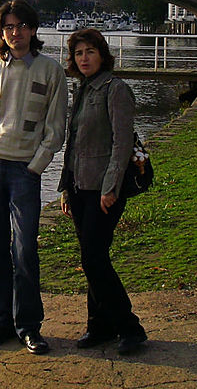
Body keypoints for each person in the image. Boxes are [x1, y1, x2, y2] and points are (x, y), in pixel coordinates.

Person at [0, 0, 68, 355]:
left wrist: (37, 164)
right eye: (8, 27)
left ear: (33, 30)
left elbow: (56, 128)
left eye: (21, 26)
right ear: (0, 32)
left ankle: (28, 325)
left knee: (24, 248)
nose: (15, 33)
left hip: (24, 170)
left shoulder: (51, 71)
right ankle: (0, 320)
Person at [58, 28, 148, 355]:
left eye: (89, 52)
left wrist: (110, 188)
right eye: (79, 53)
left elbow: (122, 144)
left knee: (93, 258)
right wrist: (66, 188)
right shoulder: (81, 90)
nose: (83, 58)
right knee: (92, 257)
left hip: (103, 189)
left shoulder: (116, 89)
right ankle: (99, 325)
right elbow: (73, 145)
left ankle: (130, 328)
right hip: (80, 187)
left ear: (102, 55)